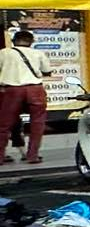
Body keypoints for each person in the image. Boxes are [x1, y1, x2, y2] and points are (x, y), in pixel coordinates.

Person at [0, 28, 50, 165]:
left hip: (12, 90)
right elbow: (47, 71)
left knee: (4, 124)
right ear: (31, 42)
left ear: (13, 41)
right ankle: (32, 156)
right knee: (37, 123)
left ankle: (0, 156)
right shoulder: (38, 53)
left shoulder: (4, 53)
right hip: (35, 89)